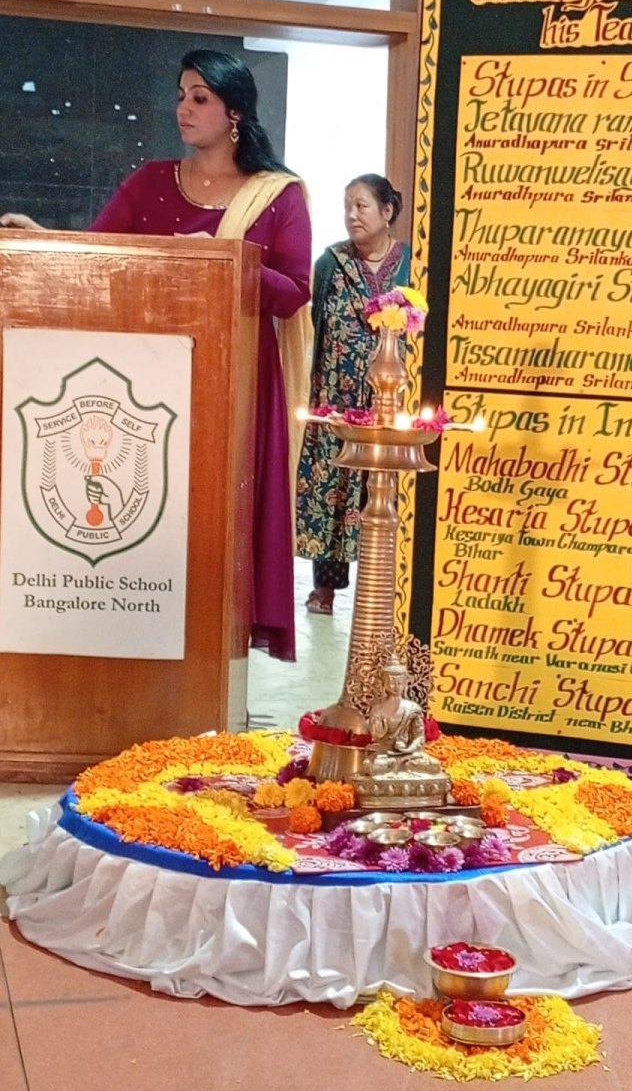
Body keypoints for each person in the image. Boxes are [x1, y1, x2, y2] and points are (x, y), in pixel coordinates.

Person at [1, 49, 312, 663]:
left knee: (217, 518)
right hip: (148, 382)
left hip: (237, 381)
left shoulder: (277, 196)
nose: (183, 109)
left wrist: (220, 260)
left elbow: (295, 291)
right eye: (180, 95)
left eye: (200, 97)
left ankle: (213, 652)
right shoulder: (150, 181)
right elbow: (99, 256)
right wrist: (41, 240)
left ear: (235, 113)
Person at [295, 173, 410, 615]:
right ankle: (324, 589)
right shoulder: (330, 263)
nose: (351, 215)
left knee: (384, 488)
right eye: (347, 206)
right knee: (334, 485)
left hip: (391, 400)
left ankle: (388, 587)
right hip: (336, 398)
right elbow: (316, 326)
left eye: (361, 206)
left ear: (387, 211)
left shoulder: (409, 264)